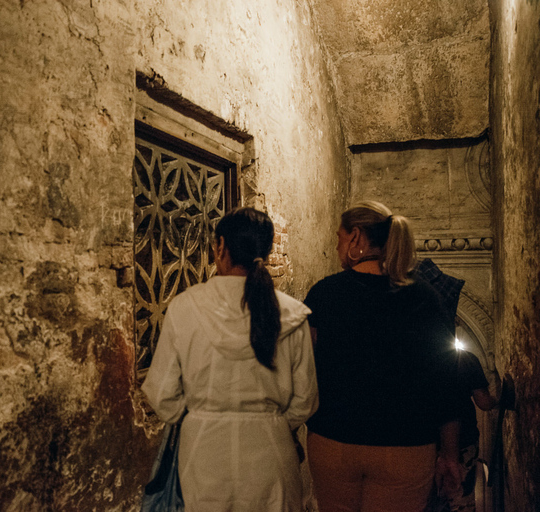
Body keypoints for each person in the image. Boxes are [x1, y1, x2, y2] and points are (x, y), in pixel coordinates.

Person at [142, 207, 319, 512]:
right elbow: (306, 400)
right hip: (272, 452)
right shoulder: (291, 314)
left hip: (203, 453)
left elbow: (160, 394)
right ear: (265, 250)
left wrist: (199, 416)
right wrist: (273, 421)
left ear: (220, 246)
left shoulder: (185, 307)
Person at [303, 200, 461, 512]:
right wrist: (451, 454)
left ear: (355, 237)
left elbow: (305, 368)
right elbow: (446, 381)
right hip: (406, 447)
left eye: (338, 237)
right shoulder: (425, 297)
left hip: (334, 442)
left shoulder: (324, 293)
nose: (336, 246)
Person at [428, 347, 498, 512]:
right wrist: (497, 398)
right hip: (463, 443)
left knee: (428, 501)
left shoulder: (420, 360)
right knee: (460, 500)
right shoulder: (465, 358)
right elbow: (484, 402)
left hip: (425, 445)